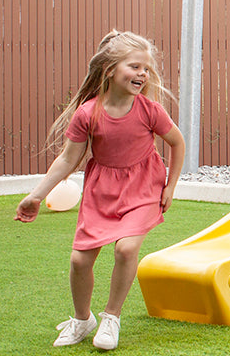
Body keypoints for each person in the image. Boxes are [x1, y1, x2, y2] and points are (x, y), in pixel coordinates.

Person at [14, 30, 187, 350]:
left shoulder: (149, 110)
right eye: (135, 67)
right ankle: (83, 320)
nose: (143, 74)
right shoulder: (87, 113)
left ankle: (112, 317)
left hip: (144, 188)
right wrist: (36, 195)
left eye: (146, 69)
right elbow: (68, 159)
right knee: (80, 261)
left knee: (125, 249)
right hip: (101, 192)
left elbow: (177, 143)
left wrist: (170, 185)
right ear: (110, 70)